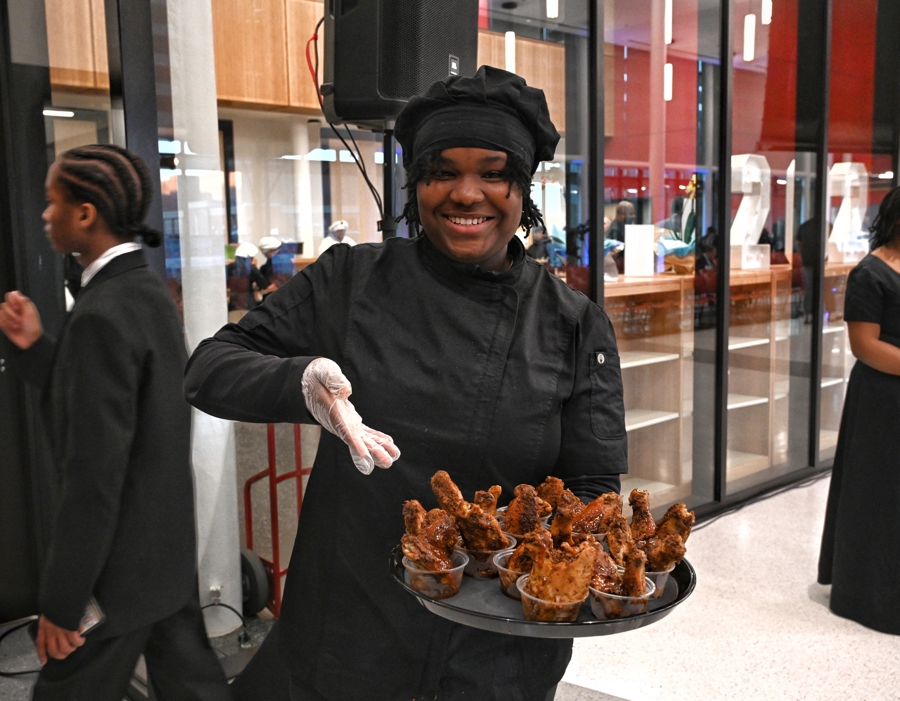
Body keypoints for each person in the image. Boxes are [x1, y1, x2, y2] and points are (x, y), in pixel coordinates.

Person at [184, 65, 626, 701]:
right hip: (350, 631)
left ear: (523, 188)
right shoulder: (350, 281)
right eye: (441, 171)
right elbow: (209, 368)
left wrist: (548, 568)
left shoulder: (574, 324)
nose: (465, 193)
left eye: (493, 172)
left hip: (498, 650)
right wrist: (301, 384)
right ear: (416, 183)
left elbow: (592, 490)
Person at [0, 145, 232, 700]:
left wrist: (61, 604)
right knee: (193, 687)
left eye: (54, 202)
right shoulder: (146, 292)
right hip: (163, 557)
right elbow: (124, 408)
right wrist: (35, 347)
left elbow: (94, 479)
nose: (45, 214)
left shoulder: (101, 313)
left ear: (85, 214)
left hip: (118, 576)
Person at [817, 187, 900, 635]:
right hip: (882, 400)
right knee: (878, 495)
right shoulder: (869, 273)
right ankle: (870, 596)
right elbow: (864, 346)